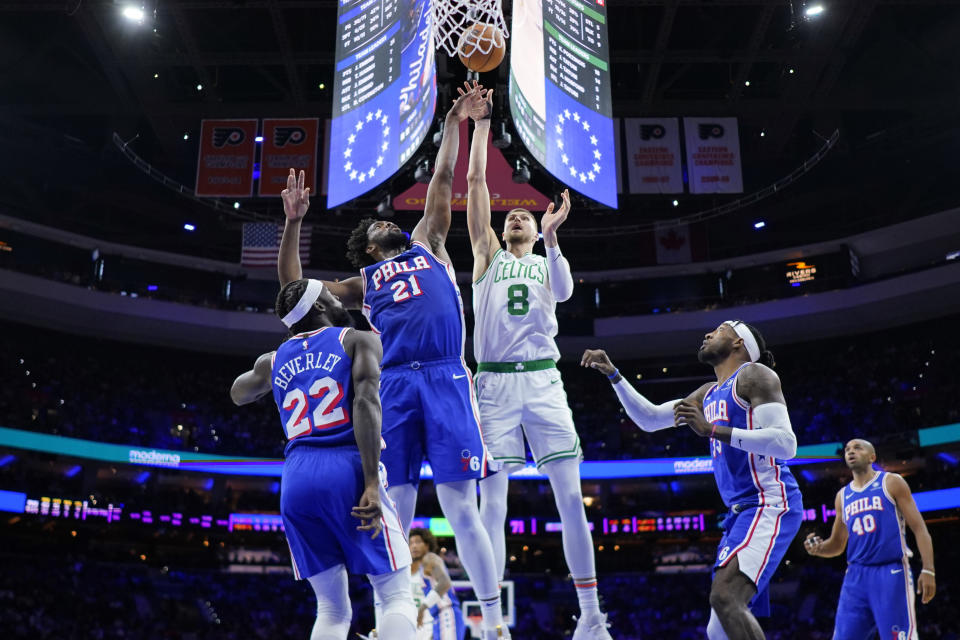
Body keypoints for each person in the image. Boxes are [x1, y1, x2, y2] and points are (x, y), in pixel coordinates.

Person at [276, 84, 509, 640]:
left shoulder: (428, 241)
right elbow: (293, 291)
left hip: (447, 374)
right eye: (381, 223)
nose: (390, 219)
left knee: (460, 506)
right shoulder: (362, 283)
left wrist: (456, 121)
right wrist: (292, 223)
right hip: (395, 384)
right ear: (371, 244)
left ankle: (495, 623)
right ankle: (392, 619)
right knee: (394, 508)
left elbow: (446, 181)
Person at [459, 82, 611, 639]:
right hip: (495, 387)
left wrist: (552, 239)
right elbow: (475, 182)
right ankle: (494, 624)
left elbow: (567, 293)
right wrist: (479, 125)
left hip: (545, 382)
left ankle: (592, 617)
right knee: (490, 503)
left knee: (571, 497)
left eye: (528, 215)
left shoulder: (548, 262)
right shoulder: (484, 256)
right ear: (500, 229)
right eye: (514, 216)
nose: (520, 216)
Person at [582, 321, 803, 640]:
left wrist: (712, 430)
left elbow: (786, 444)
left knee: (725, 598)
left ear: (739, 342)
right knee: (717, 628)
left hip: (768, 502)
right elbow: (650, 419)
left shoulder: (755, 375)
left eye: (719, 330)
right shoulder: (708, 393)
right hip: (739, 514)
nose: (708, 334)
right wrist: (614, 375)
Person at [230, 278, 415, 640]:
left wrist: (284, 363)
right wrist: (372, 484)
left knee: (331, 609)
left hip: (297, 477)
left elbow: (238, 393)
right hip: (346, 465)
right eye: (329, 295)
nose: (337, 299)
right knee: (395, 594)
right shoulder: (358, 339)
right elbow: (366, 403)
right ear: (318, 307)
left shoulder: (273, 359)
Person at [803, 438, 936, 639]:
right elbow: (837, 545)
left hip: (890, 571)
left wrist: (928, 569)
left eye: (857, 447)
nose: (851, 451)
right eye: (847, 449)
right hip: (855, 576)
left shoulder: (891, 482)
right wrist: (819, 549)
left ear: (872, 456)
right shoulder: (842, 496)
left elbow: (919, 528)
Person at [409, 528, 466, 640]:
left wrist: (423, 607)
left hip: (446, 614)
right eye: (411, 543)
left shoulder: (429, 558)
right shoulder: (422, 565)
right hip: (438, 617)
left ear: (427, 544)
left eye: (418, 542)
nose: (414, 546)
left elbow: (445, 583)